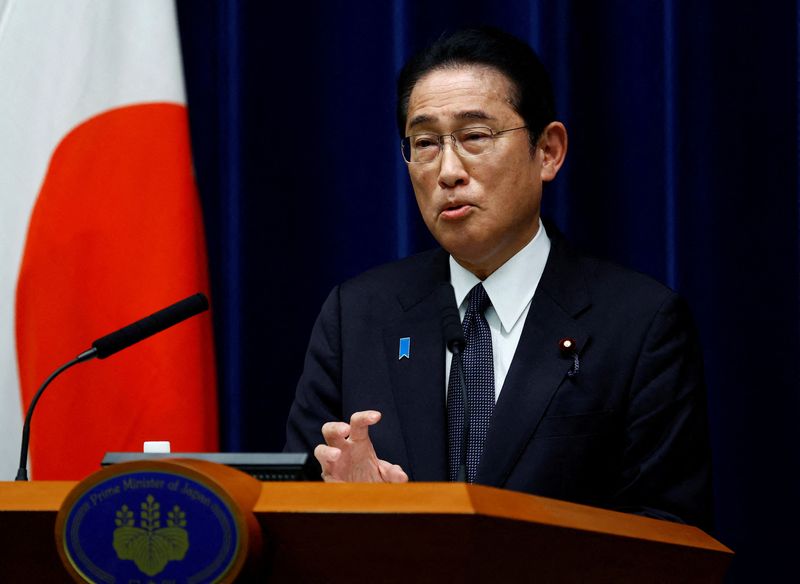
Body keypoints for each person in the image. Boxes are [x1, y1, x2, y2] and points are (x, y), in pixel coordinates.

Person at [285, 27, 712, 530]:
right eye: (425, 142)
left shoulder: (639, 324)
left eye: (474, 137)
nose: (448, 171)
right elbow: (291, 513)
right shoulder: (356, 315)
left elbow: (669, 536)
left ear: (548, 151)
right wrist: (362, 517)